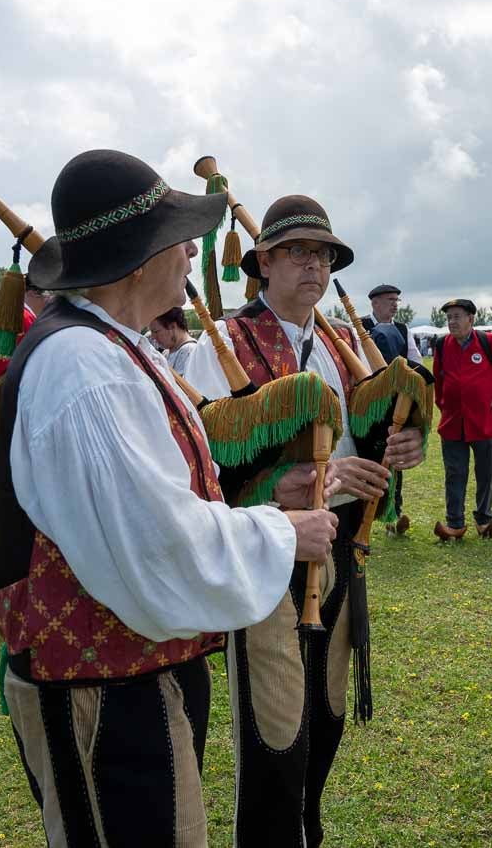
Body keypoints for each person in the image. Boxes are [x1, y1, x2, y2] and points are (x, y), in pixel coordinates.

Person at [0, 151, 337, 846]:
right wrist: (285, 532)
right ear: (142, 259)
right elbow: (158, 542)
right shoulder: (85, 365)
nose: (192, 253)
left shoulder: (112, 347)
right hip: (101, 689)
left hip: (123, 673)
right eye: (180, 238)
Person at [186, 195, 425, 847]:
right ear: (262, 261)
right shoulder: (221, 345)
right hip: (265, 551)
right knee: (275, 726)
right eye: (296, 251)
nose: (313, 265)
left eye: (322, 254)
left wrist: (400, 448)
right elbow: (198, 465)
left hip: (339, 545)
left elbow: (370, 439)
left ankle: (305, 830)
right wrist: (299, 482)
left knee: (326, 711)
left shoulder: (347, 344)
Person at [0, 277, 49, 623]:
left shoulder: (4, 318)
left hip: (0, 424)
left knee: (1, 506)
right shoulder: (25, 322)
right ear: (37, 292)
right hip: (14, 429)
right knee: (6, 511)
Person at [431, 299, 492, 541]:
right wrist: (442, 404)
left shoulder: (488, 342)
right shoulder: (442, 345)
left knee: (486, 474)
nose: (452, 321)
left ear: (471, 319)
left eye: (457, 316)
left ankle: (484, 520)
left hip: (485, 423)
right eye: (449, 317)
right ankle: (455, 523)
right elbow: (438, 380)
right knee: (455, 473)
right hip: (453, 424)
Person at [358, 283, 421, 534]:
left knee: (394, 458)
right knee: (367, 457)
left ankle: (393, 513)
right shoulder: (360, 327)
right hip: (369, 406)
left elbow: (415, 363)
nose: (394, 304)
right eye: (389, 300)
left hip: (396, 405)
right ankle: (364, 513)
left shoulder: (404, 330)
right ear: (374, 303)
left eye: (397, 300)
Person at [149, 306, 199, 377]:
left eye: (156, 331)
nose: (153, 337)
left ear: (172, 327)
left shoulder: (189, 351)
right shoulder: (166, 352)